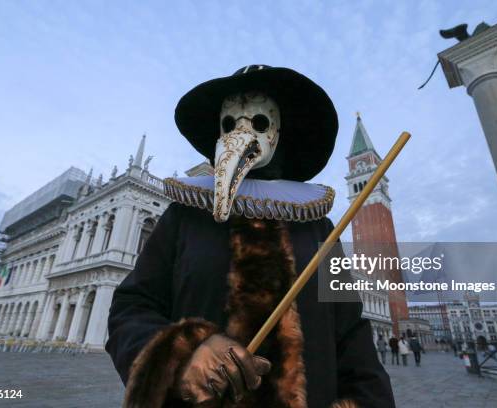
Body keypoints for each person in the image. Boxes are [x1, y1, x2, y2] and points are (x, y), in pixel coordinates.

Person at [105, 65, 395, 408]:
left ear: (278, 131)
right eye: (229, 124)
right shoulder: (186, 216)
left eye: (257, 122)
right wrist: (183, 353)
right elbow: (131, 307)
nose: (240, 133)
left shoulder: (316, 226)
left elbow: (351, 339)